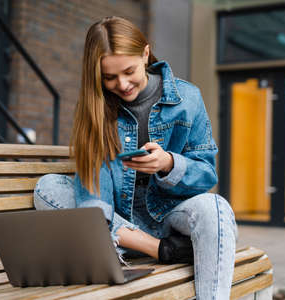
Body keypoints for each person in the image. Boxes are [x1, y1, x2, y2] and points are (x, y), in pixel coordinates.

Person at [33, 16, 237, 299]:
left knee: (216, 207)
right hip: (120, 226)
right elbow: (93, 188)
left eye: (129, 71)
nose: (123, 84)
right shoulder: (95, 106)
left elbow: (206, 174)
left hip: (170, 216)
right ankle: (158, 248)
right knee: (47, 188)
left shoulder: (188, 98)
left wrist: (168, 164)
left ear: (145, 54)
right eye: (110, 77)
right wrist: (158, 248)